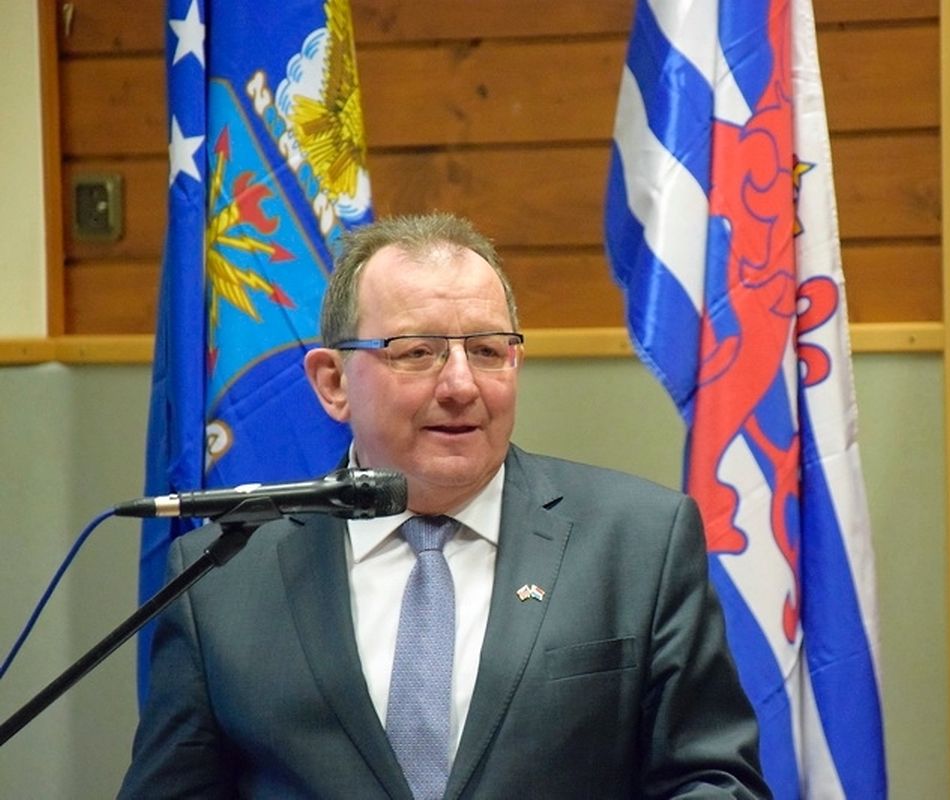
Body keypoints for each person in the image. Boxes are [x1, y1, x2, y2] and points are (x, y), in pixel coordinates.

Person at [119, 213, 769, 799]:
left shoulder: (639, 543)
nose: (460, 384)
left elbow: (714, 781)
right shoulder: (223, 579)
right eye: (418, 352)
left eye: (486, 351)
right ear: (333, 382)